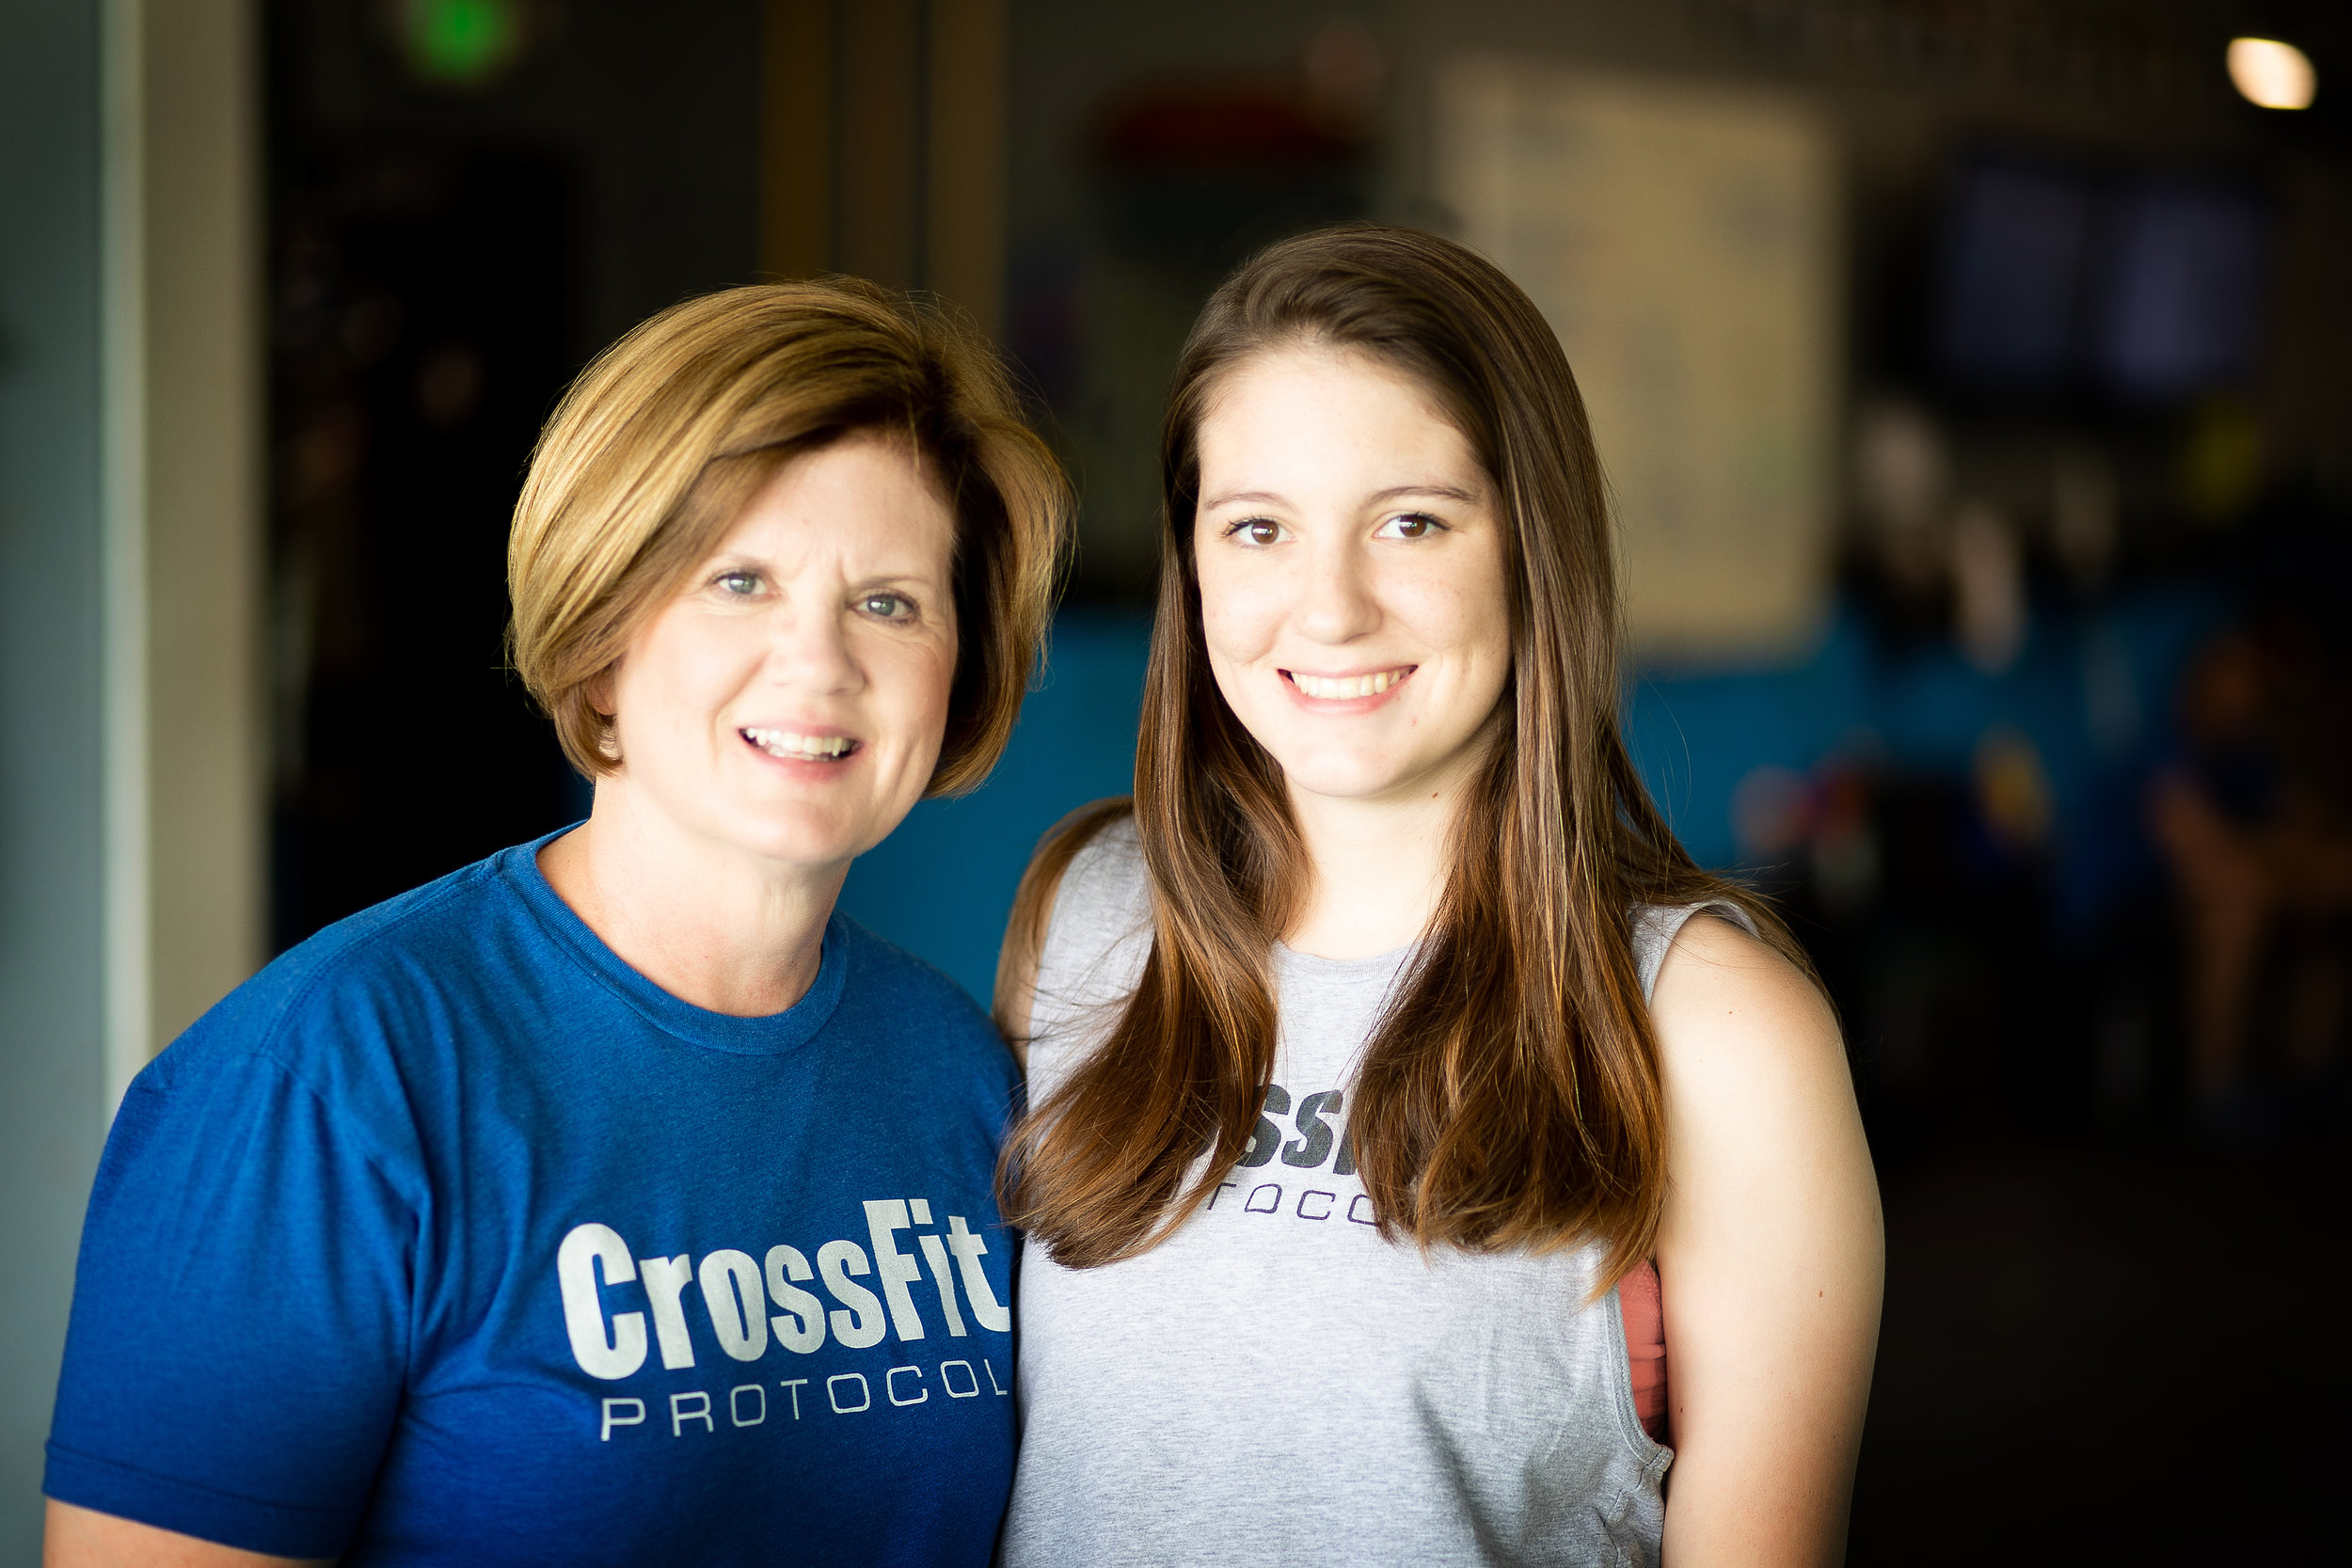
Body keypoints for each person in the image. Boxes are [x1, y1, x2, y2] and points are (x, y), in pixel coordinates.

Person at [44, 279, 1070, 1567]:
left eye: (889, 602)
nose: (819, 663)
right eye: (740, 581)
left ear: (960, 670)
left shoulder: (961, 1073)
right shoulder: (320, 1086)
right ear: (600, 640)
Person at [993, 226, 1883, 1567]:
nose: (1330, 608)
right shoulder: (1088, 913)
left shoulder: (1714, 1025)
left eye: (1411, 522)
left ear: (1532, 548)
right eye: (1258, 529)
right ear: (1195, 562)